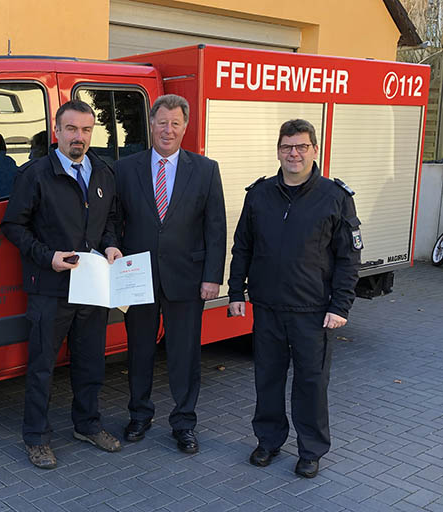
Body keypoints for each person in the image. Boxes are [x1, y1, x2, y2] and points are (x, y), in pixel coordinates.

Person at [228, 118, 361, 479]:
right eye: (287, 146)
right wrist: (235, 291)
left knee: (311, 383)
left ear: (314, 150)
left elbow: (349, 258)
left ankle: (311, 450)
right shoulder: (259, 195)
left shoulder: (335, 198)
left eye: (302, 146)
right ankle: (268, 441)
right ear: (278, 151)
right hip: (268, 308)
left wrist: (340, 306)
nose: (294, 153)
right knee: (267, 379)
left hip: (313, 311)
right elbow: (243, 246)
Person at [1, 100, 122, 469]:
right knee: (42, 367)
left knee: (90, 362)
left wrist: (111, 245)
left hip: (93, 288)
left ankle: (87, 425)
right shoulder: (36, 174)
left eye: (86, 130)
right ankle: (36, 438)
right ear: (57, 132)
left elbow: (109, 221)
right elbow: (12, 226)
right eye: (71, 129)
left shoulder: (102, 172)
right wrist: (47, 256)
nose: (79, 137)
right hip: (50, 287)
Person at [113, 94, 226, 451]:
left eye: (175, 123)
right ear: (151, 124)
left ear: (185, 126)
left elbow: (216, 227)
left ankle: (184, 423)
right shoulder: (125, 168)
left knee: (185, 354)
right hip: (137, 277)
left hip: (187, 278)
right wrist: (112, 249)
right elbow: (115, 220)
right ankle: (139, 415)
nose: (168, 130)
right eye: (162, 122)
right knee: (140, 351)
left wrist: (212, 276)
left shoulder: (206, 170)